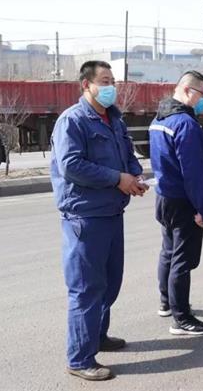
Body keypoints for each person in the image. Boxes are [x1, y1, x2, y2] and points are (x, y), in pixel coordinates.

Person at [51, 60, 147, 381]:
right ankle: (80, 358)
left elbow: (127, 155)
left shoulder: (114, 119)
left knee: (109, 283)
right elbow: (71, 165)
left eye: (112, 81)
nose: (111, 87)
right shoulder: (73, 121)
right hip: (85, 216)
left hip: (111, 212)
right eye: (104, 81)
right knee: (86, 288)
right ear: (86, 85)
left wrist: (134, 175)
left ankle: (98, 336)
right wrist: (117, 178)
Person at [149, 70, 203, 336]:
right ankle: (181, 318)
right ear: (188, 90)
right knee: (182, 259)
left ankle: (167, 302)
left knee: (169, 252)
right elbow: (194, 174)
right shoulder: (186, 124)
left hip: (165, 198)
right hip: (184, 201)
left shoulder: (159, 119)